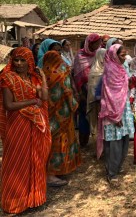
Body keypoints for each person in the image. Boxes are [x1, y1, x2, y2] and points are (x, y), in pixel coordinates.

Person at [0, 47, 51, 214]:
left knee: (35, 160)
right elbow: (9, 105)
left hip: (35, 126)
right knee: (17, 163)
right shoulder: (7, 78)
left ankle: (34, 199)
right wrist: (30, 102)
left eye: (23, 60)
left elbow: (43, 97)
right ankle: (16, 201)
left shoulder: (32, 78)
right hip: (18, 126)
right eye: (16, 60)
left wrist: (42, 77)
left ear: (30, 61)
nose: (19, 63)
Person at [97, 44, 135, 184]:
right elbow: (110, 94)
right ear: (114, 55)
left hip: (123, 107)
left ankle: (117, 167)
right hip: (113, 110)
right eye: (122, 55)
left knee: (124, 140)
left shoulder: (121, 68)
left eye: (125, 55)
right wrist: (115, 116)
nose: (125, 58)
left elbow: (125, 88)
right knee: (114, 143)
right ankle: (111, 173)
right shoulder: (110, 69)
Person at [42, 50, 81, 187]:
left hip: (48, 114)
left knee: (51, 141)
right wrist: (73, 104)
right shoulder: (61, 71)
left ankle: (51, 171)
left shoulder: (42, 73)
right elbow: (67, 90)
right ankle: (52, 173)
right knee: (61, 140)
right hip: (63, 113)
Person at [73, 33, 102, 146]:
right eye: (96, 43)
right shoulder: (80, 55)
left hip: (98, 91)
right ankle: (83, 141)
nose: (98, 45)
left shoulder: (99, 54)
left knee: (96, 115)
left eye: (99, 43)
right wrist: (80, 92)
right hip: (84, 91)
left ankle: (97, 141)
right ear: (89, 43)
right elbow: (77, 74)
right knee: (84, 115)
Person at [87, 48, 107, 136]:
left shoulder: (109, 68)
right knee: (97, 123)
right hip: (96, 102)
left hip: (106, 101)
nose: (105, 58)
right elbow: (92, 88)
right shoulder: (94, 71)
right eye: (103, 55)